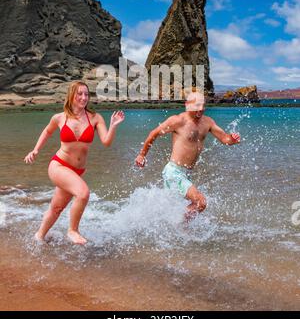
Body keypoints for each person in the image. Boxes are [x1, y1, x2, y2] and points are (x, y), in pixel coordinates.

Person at [24, 81, 125, 244]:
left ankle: (38, 237)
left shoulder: (95, 118)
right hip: (58, 166)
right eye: (80, 94)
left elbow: (106, 141)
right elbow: (47, 132)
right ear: (71, 95)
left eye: (86, 94)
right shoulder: (59, 117)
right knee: (83, 193)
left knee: (56, 208)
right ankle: (72, 230)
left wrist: (113, 125)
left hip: (77, 170)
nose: (84, 97)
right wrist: (35, 150)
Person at [135, 88, 240, 221]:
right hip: (174, 172)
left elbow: (225, 139)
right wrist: (141, 155)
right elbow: (153, 134)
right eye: (197, 105)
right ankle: (180, 226)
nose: (201, 109)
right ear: (187, 105)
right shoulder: (177, 121)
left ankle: (171, 226)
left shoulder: (208, 122)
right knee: (201, 202)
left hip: (186, 174)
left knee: (177, 206)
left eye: (203, 105)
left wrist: (232, 139)